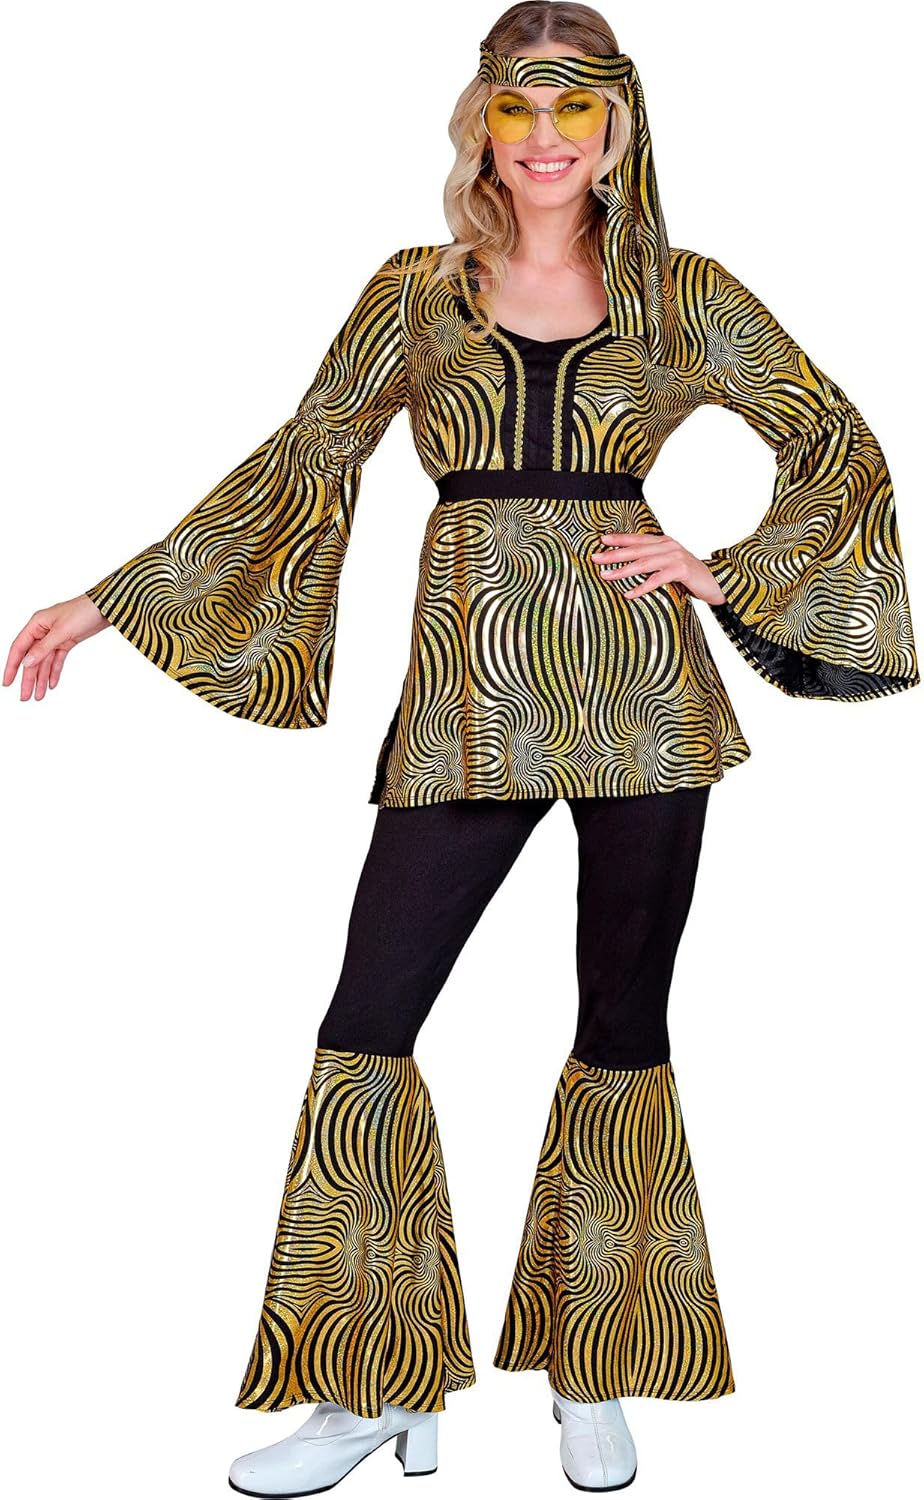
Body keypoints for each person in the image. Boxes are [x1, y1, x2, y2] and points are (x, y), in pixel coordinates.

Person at [6, 3, 919, 1494]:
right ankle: (374, 1384)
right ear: (482, 127)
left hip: (642, 699)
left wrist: (722, 571)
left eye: (574, 110)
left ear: (617, 130)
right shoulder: (415, 293)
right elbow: (305, 457)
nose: (545, 138)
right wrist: (111, 600)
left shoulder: (685, 295)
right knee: (369, 1017)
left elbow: (837, 441)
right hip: (467, 700)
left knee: (624, 1024)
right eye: (517, 110)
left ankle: (596, 1367)